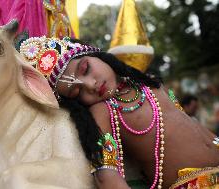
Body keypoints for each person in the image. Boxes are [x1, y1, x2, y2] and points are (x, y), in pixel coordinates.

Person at [19, 37, 219, 189]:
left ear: (95, 54)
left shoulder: (150, 83)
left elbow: (193, 126)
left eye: (86, 69)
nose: (90, 85)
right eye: (77, 91)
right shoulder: (103, 111)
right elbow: (106, 174)